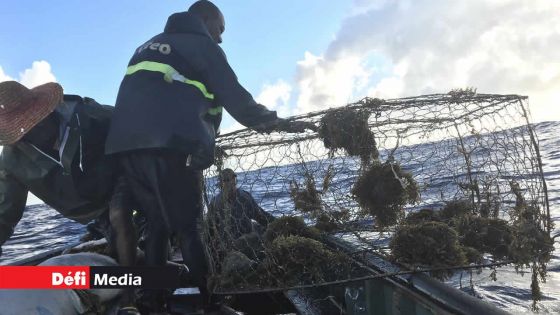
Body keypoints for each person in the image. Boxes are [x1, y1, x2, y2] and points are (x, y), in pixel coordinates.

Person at [105, 0, 315, 312]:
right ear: (205, 19)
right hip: (171, 145)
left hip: (126, 149)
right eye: (220, 28)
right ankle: (212, 303)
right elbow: (234, 97)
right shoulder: (200, 44)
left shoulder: (146, 46)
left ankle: (151, 300)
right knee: (190, 228)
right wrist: (274, 122)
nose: (220, 38)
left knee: (159, 224)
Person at [0, 81, 139, 313]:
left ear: (45, 110)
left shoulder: (87, 114)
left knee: (120, 217)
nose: (29, 133)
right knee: (119, 246)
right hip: (92, 210)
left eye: (33, 123)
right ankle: (152, 268)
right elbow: (4, 214)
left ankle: (130, 301)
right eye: (21, 131)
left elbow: (135, 125)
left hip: (126, 179)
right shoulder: (12, 162)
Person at [208, 168, 274, 240]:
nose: (228, 183)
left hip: (246, 239)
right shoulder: (215, 202)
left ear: (235, 180)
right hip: (226, 242)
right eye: (225, 180)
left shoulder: (245, 197)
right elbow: (210, 225)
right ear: (220, 183)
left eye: (229, 179)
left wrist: (278, 223)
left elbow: (261, 216)